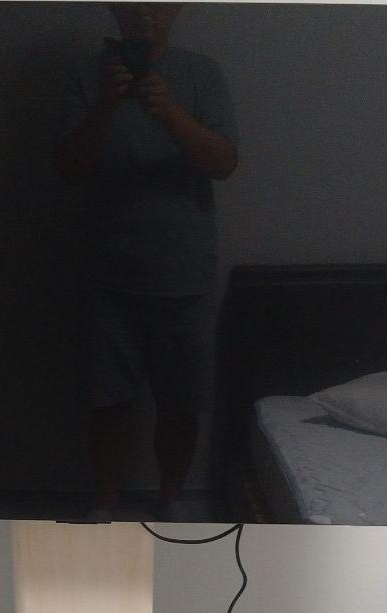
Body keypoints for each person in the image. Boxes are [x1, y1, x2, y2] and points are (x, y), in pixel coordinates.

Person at [56, 2, 238, 521]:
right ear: (113, 8)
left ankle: (171, 501)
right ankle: (105, 508)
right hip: (107, 275)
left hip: (185, 274)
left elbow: (225, 164)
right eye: (130, 2)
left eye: (157, 1)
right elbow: (67, 168)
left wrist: (171, 114)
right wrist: (106, 107)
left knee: (180, 403)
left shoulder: (202, 74)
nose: (143, 12)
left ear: (177, 8)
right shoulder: (86, 76)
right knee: (107, 402)